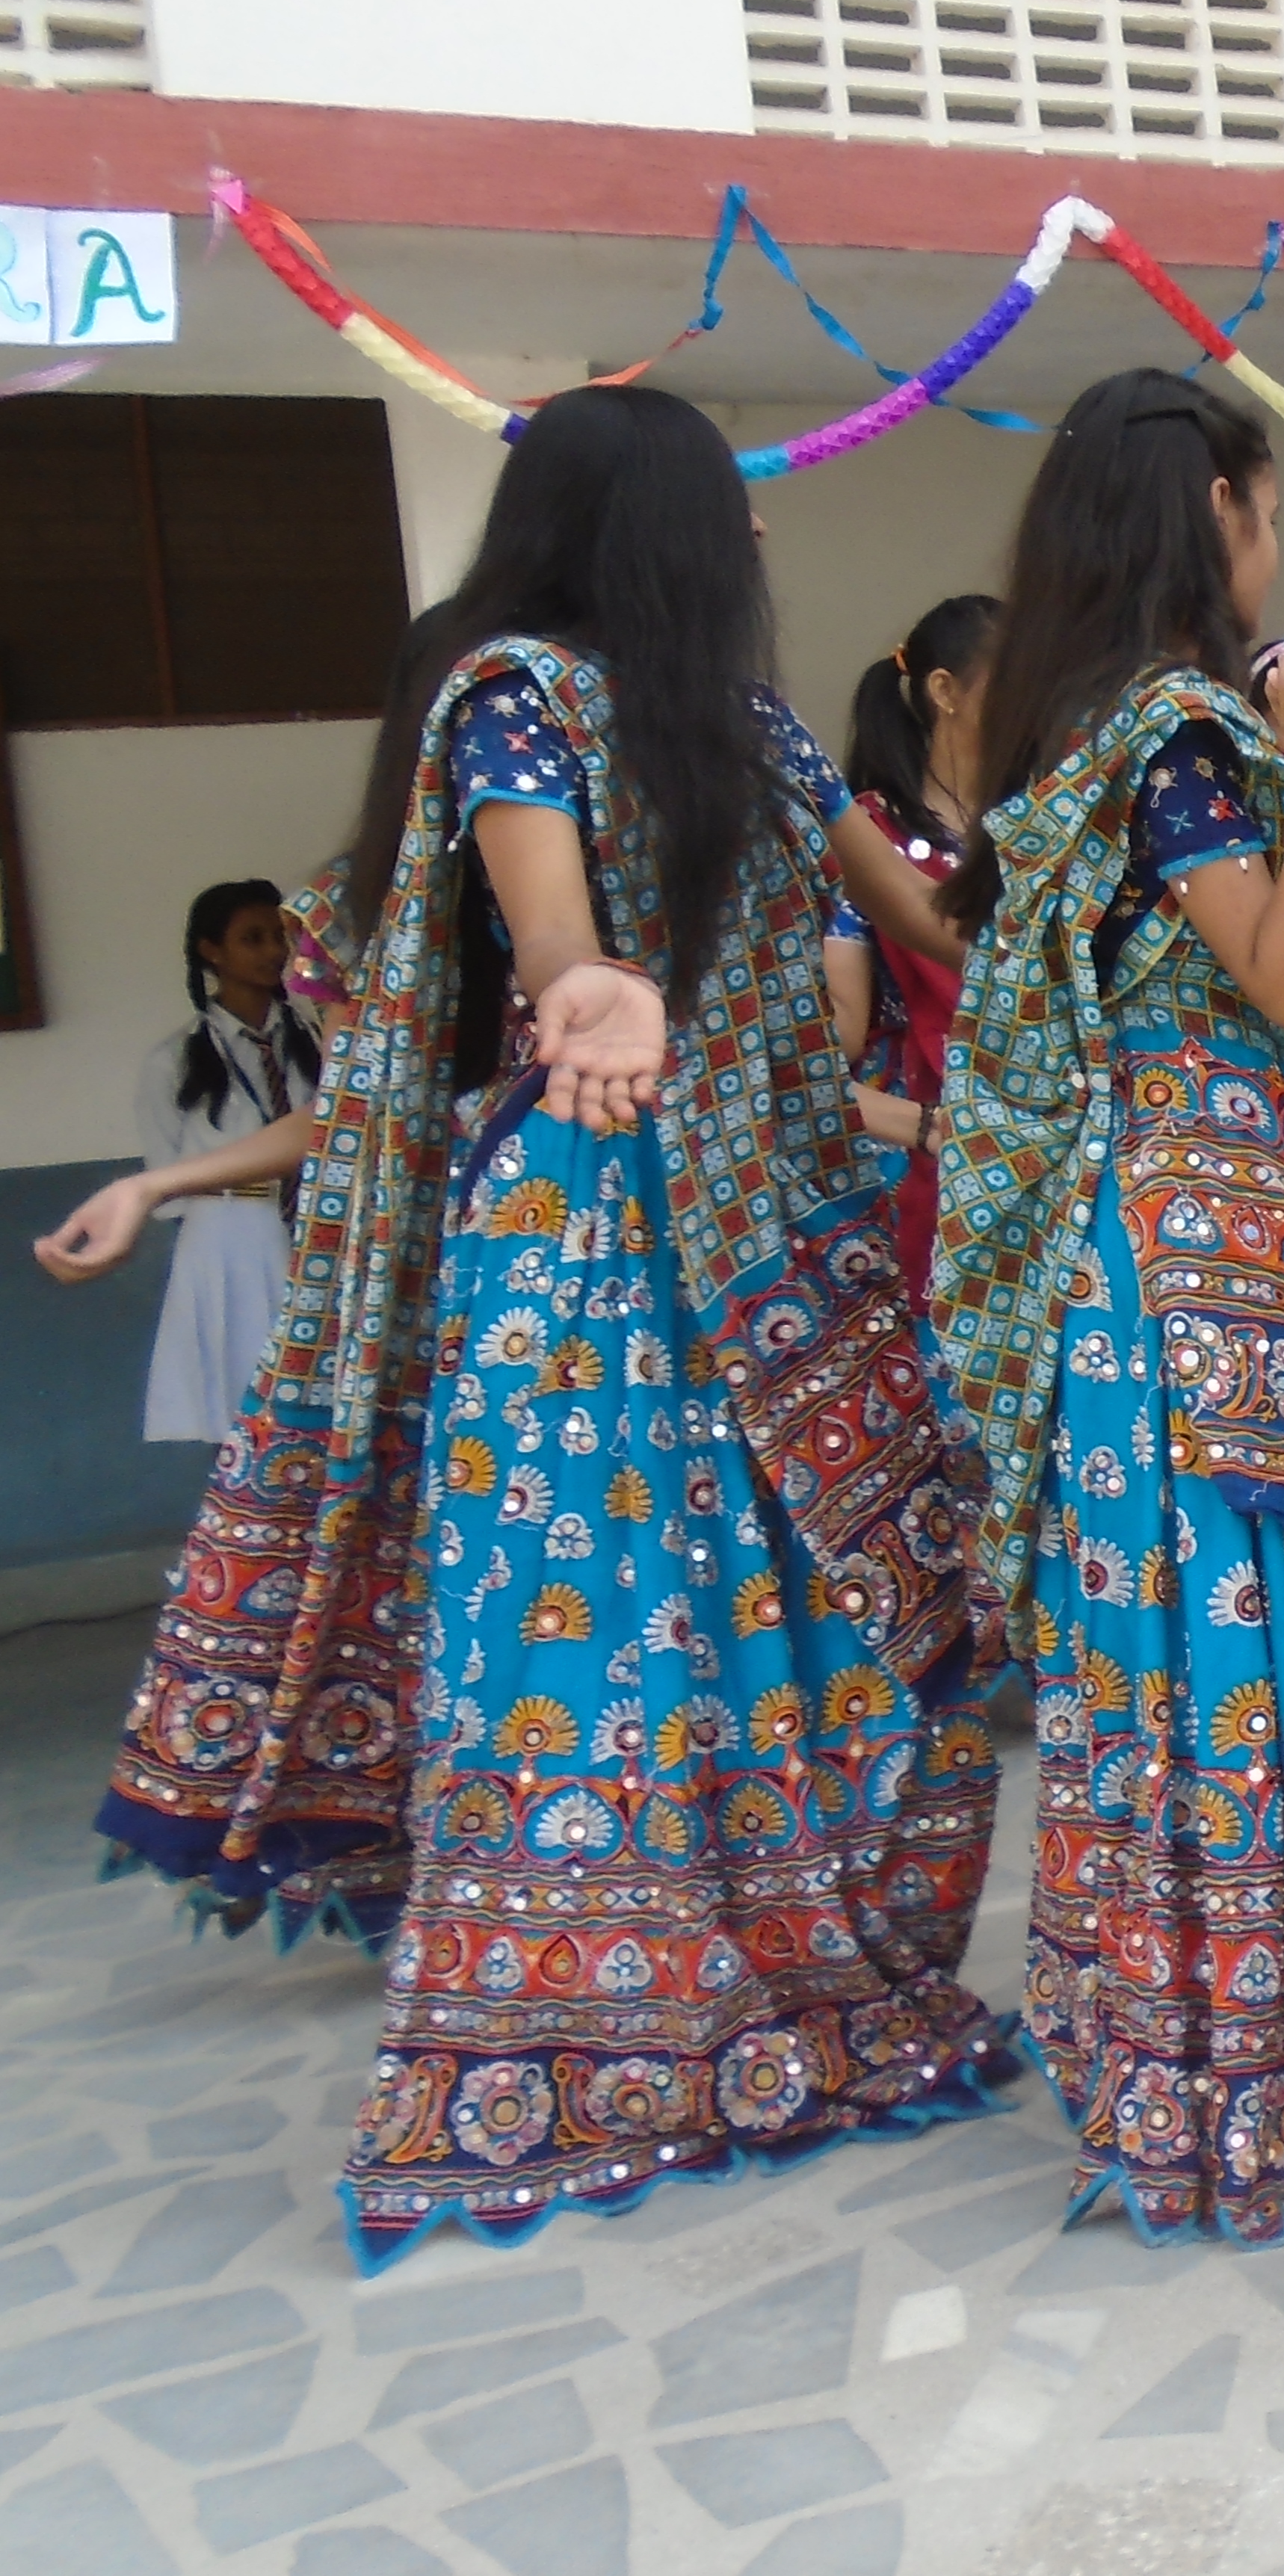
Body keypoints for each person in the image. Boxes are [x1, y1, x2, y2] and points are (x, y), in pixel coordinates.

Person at [98, 383, 1010, 2267]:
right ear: (657, 522)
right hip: (592, 1233)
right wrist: (592, 985)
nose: (756, 539)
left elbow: (912, 922)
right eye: (729, 507)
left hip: (769, 1236)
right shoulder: (513, 696)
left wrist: (1103, 988)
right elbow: (549, 929)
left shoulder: (750, 727)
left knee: (799, 1607)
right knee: (605, 1616)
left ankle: (791, 1977)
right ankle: (587, 2019)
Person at [933, 366, 1284, 2245]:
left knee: (1169, 1668)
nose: (1277, 553)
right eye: (1269, 513)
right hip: (1203, 1279)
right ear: (1217, 516)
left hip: (1139, 1268)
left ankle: (1196, 2055)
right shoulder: (1176, 733)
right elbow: (1279, 977)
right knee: (1261, 1647)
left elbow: (1179, 1025)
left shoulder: (1072, 735)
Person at [34, 880, 324, 1438]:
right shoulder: (175, 1060)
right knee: (243, 1395)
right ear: (210, 951)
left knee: (324, 1389)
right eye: (252, 938)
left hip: (322, 1224)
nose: (272, 952)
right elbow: (168, 1172)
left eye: (279, 937)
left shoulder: (317, 1040)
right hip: (230, 1235)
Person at [824, 593, 1001, 1301]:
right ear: (944, 691)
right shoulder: (868, 836)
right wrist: (924, 1125)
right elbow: (827, 1038)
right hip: (927, 1149)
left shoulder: (1046, 818)